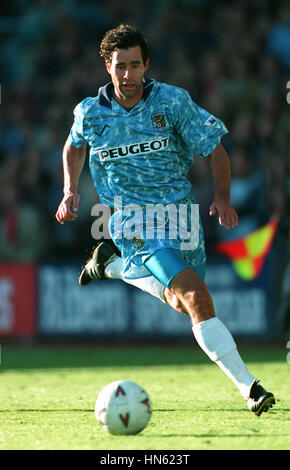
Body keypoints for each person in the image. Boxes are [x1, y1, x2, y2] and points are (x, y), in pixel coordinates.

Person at [55, 24, 275, 416]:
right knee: (198, 297)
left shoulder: (172, 102)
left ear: (146, 64)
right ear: (107, 66)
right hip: (131, 220)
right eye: (120, 66)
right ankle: (250, 388)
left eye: (135, 65)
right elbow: (73, 146)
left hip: (182, 214)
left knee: (183, 303)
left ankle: (112, 266)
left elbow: (215, 148)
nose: (128, 75)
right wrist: (70, 190)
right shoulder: (91, 112)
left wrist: (222, 198)